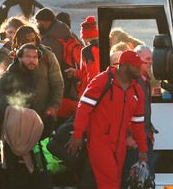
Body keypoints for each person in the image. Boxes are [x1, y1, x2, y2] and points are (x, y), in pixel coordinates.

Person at [66, 50, 148, 189]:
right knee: (109, 182)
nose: (139, 67)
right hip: (100, 141)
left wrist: (143, 149)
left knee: (115, 182)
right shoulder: (102, 80)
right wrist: (77, 134)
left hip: (120, 144)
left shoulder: (137, 91)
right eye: (135, 65)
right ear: (123, 65)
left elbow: (138, 123)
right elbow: (83, 108)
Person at [0, 44, 44, 189]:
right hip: (9, 133)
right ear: (19, 57)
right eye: (27, 57)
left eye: (34, 57)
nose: (32, 60)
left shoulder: (29, 75)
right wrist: (0, 132)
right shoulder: (8, 78)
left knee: (24, 171)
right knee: (14, 171)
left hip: (24, 131)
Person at [10, 25, 64, 136]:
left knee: (44, 148)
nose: (31, 43)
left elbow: (58, 83)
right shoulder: (14, 59)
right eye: (26, 40)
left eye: (33, 40)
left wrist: (54, 106)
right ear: (19, 42)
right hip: (21, 115)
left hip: (44, 114)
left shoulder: (47, 56)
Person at [121, 45, 156, 189]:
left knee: (147, 176)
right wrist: (127, 136)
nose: (151, 62)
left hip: (143, 135)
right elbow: (124, 112)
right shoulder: (132, 81)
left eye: (151, 59)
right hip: (134, 140)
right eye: (147, 59)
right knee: (135, 179)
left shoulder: (146, 80)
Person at [65, 16, 100, 98]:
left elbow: (93, 74)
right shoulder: (103, 47)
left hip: (90, 94)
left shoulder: (87, 51)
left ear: (84, 36)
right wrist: (76, 72)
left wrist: (90, 95)